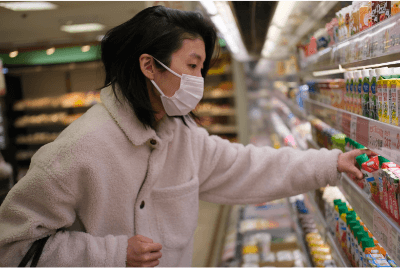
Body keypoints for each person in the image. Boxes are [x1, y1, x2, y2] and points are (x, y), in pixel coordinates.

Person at [0, 6, 368, 267]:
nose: (199, 80)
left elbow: (247, 166)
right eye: (192, 65)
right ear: (149, 66)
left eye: (202, 68)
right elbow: (11, 248)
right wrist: (111, 256)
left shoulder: (182, 136)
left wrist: (331, 163)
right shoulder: (78, 150)